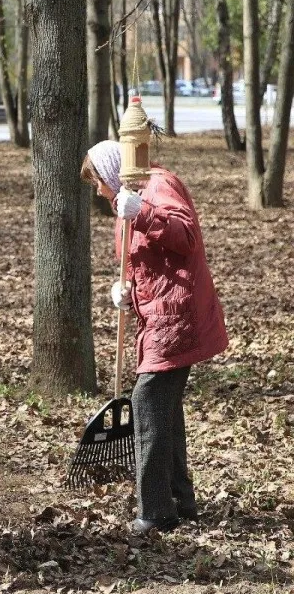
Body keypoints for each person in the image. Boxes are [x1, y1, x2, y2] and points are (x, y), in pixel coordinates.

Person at [81, 140, 228, 535]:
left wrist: (142, 212)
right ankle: (181, 501)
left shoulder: (158, 185)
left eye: (98, 181)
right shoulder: (126, 201)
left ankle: (156, 512)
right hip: (159, 316)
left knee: (147, 401)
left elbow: (186, 236)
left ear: (113, 171)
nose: (98, 190)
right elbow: (141, 261)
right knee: (165, 409)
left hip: (178, 316)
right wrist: (124, 289)